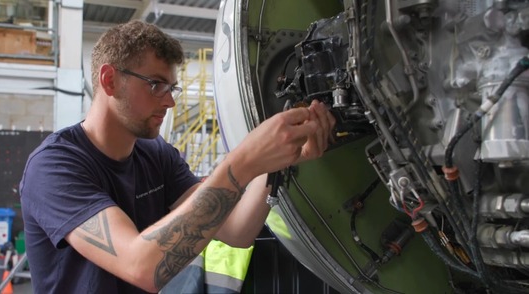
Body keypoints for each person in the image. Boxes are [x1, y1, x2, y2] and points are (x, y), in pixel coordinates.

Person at [19, 20, 336, 294]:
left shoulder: (155, 155)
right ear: (109, 80)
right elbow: (141, 267)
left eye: (173, 88)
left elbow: (236, 231)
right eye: (156, 85)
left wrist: (278, 163)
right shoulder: (54, 167)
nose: (170, 102)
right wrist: (244, 160)